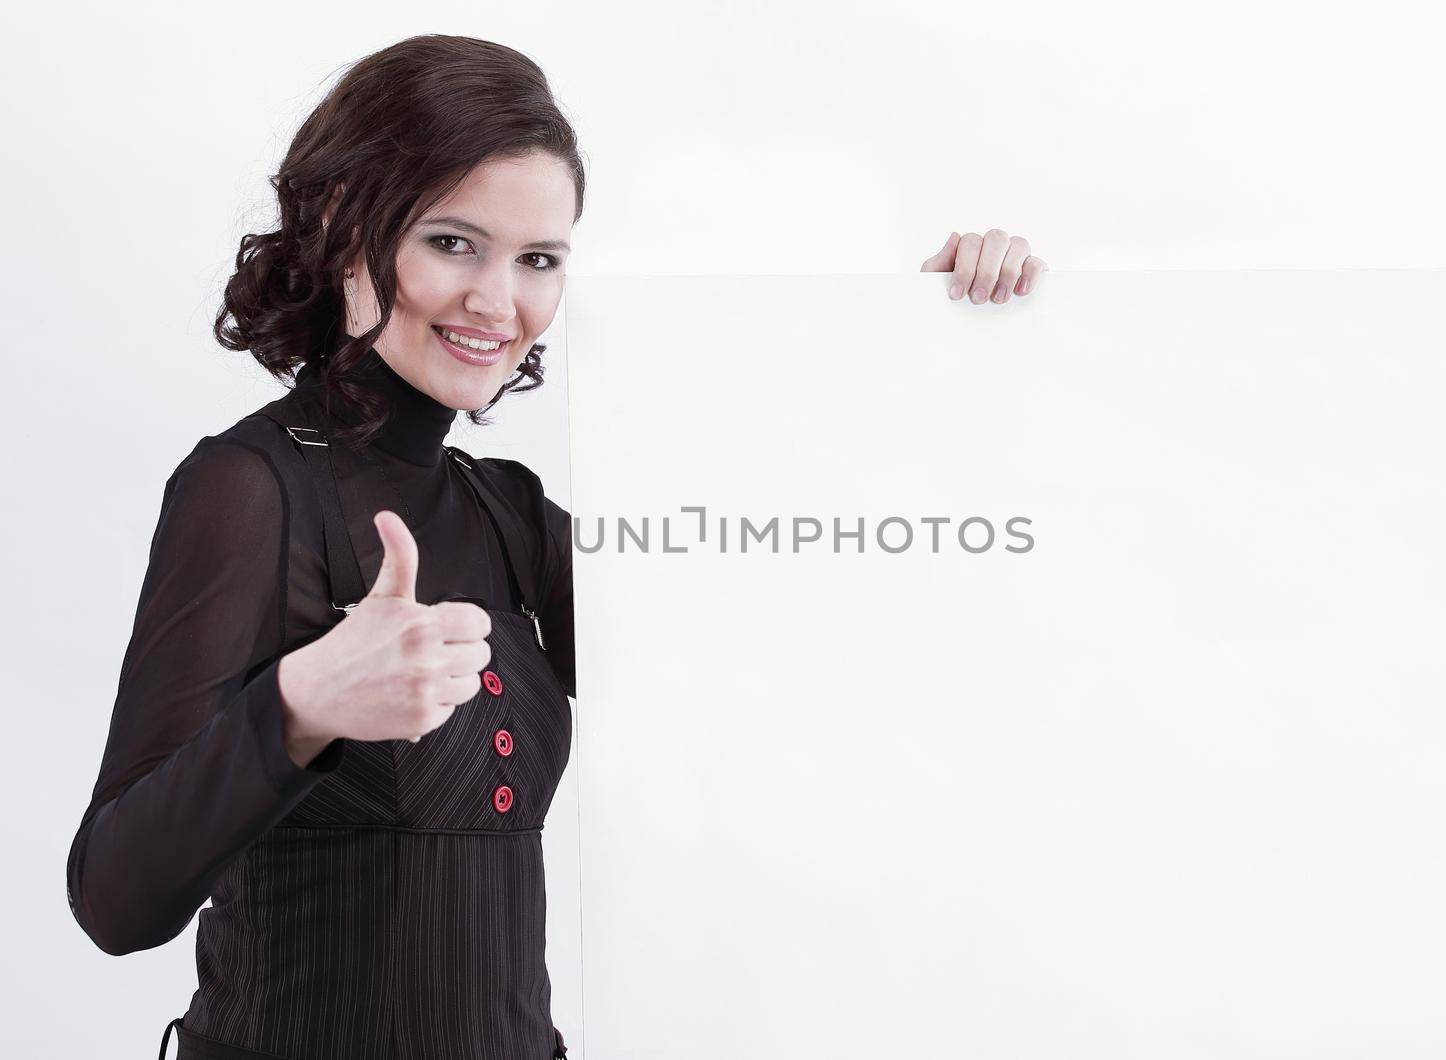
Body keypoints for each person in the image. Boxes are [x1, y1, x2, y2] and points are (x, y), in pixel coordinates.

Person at [64, 33, 1048, 1060]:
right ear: (344, 226)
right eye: (454, 242)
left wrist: (937, 356)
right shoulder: (249, 488)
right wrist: (300, 706)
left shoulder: (509, 514)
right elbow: (113, 900)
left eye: (537, 259)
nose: (500, 301)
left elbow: (798, 642)